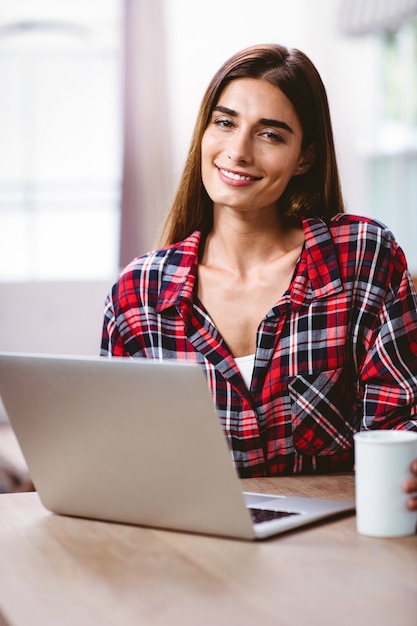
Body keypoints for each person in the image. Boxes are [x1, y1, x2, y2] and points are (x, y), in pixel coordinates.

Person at [101, 43, 417, 511]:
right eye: (225, 123)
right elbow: (118, 456)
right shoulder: (139, 293)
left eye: (270, 135)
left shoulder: (361, 258)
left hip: (341, 550)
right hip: (199, 551)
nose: (238, 151)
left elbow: (401, 422)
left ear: (304, 158)